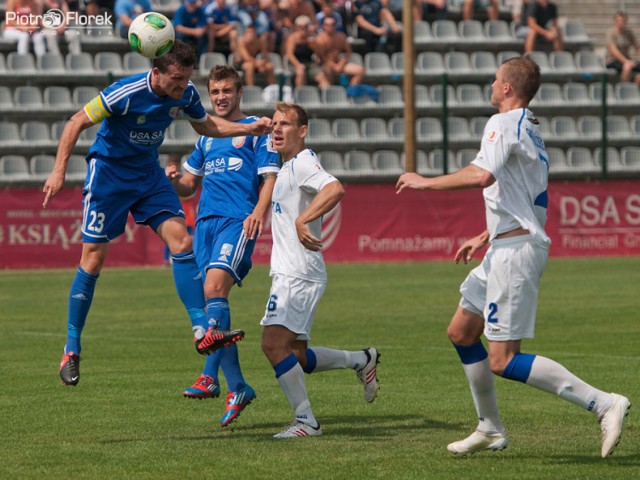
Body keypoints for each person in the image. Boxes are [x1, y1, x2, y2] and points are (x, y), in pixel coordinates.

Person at [395, 56, 631, 457]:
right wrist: (486, 235)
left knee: (502, 359)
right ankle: (489, 428)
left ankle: (604, 402)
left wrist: (425, 183)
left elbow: (481, 175)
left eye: (495, 79)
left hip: (515, 251)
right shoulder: (530, 129)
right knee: (461, 332)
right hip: (504, 244)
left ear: (507, 88)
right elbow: (526, 199)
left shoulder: (504, 122)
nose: (491, 83)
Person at [43, 41, 272, 387]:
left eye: (185, 79)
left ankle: (201, 330)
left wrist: (246, 128)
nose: (181, 86)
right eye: (176, 79)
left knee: (182, 241)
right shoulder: (126, 91)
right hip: (109, 176)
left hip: (148, 176)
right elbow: (76, 121)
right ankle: (71, 349)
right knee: (92, 260)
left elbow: (206, 125)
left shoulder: (187, 94)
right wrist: (59, 171)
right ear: (157, 72)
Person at [166, 65, 280, 427]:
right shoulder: (205, 137)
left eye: (227, 90)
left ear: (239, 92)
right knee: (214, 304)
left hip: (237, 222)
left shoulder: (255, 131)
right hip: (204, 227)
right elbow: (189, 185)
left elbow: (270, 177)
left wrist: (259, 212)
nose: (220, 97)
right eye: (215, 92)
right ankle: (239, 386)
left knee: (214, 289)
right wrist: (172, 181)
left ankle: (209, 376)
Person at [261, 102, 380, 438]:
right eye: (276, 124)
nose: (278, 129)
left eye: (286, 124)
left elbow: (335, 187)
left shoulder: (302, 162)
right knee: (295, 355)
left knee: (272, 345)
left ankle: (306, 421)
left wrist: (303, 219)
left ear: (303, 131)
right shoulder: (284, 167)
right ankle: (361, 359)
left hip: (297, 273)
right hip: (293, 271)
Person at [314, 15, 364, 89]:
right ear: (324, 26)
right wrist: (334, 66)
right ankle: (331, 91)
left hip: (339, 62)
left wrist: (341, 63)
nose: (330, 27)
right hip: (325, 64)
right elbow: (322, 57)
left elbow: (348, 52)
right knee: (327, 71)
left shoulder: (341, 36)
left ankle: (351, 90)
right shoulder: (320, 39)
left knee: (360, 70)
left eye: (333, 24)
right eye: (328, 25)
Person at [605, 11, 640, 86]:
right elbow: (614, 51)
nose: (621, 23)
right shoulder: (611, 33)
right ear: (615, 21)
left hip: (627, 59)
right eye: (619, 21)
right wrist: (626, 61)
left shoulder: (629, 33)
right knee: (627, 67)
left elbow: (637, 47)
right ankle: (624, 90)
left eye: (623, 21)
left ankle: (636, 91)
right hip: (612, 60)